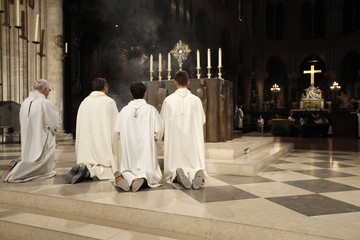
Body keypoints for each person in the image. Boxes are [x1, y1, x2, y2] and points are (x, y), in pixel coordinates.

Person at [2, 79, 61, 182]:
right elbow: (54, 122)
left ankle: (21, 167)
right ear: (45, 90)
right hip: (42, 137)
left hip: (27, 138)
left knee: (29, 155)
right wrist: (55, 128)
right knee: (41, 157)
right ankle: (29, 171)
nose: (48, 92)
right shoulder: (44, 103)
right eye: (49, 90)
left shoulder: (25, 102)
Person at [65, 78, 119, 184]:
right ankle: (90, 172)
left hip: (87, 144)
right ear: (105, 87)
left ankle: (84, 167)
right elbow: (116, 122)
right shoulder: (109, 102)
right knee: (106, 168)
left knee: (88, 161)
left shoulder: (85, 101)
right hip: (102, 142)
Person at [113, 82, 163, 192]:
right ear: (145, 93)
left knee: (128, 169)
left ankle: (126, 177)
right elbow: (159, 131)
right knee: (149, 171)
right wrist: (153, 139)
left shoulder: (123, 111)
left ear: (131, 93)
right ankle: (142, 176)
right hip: (146, 149)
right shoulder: (151, 110)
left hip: (129, 150)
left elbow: (117, 131)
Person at [160, 70, 207, 190]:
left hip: (175, 140)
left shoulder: (168, 100)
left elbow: (162, 123)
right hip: (192, 139)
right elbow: (202, 120)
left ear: (175, 82)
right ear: (189, 82)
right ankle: (196, 171)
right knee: (194, 162)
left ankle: (176, 174)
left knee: (175, 162)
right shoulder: (196, 100)